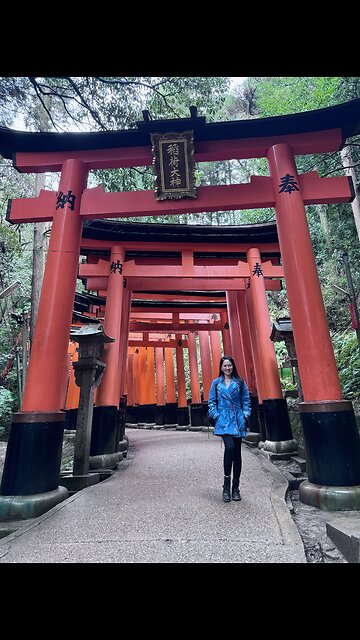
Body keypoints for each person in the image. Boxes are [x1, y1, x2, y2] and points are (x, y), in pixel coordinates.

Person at [208, 355, 251, 502]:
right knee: (230, 447)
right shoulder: (216, 383)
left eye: (230, 365)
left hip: (238, 419)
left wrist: (245, 415)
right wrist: (216, 415)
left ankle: (235, 487)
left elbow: (246, 400)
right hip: (223, 420)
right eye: (225, 365)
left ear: (233, 366)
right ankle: (226, 485)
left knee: (237, 453)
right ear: (221, 367)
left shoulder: (239, 382)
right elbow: (211, 402)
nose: (228, 368)